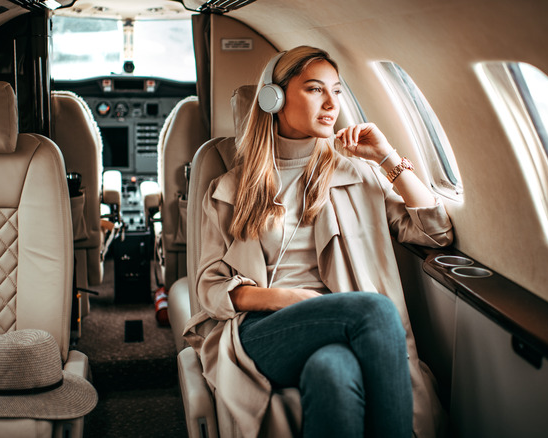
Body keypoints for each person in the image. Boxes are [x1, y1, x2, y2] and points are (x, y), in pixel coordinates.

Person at [184, 46, 454, 438]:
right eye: (315, 89)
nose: (331, 103)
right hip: (263, 329)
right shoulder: (230, 188)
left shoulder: (357, 174)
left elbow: (435, 231)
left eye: (337, 91)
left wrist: (386, 157)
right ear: (274, 98)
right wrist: (285, 298)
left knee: (333, 372)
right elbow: (210, 288)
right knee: (377, 311)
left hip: (340, 324)